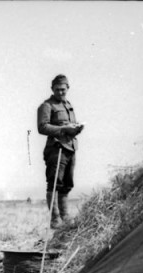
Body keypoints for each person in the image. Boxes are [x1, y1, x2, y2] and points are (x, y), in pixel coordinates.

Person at [37, 74, 84, 228]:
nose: (61, 92)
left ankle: (65, 216)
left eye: (63, 89)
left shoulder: (68, 105)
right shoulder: (47, 106)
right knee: (54, 184)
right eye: (57, 90)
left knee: (67, 184)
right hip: (56, 149)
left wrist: (76, 129)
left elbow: (69, 126)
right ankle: (55, 219)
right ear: (52, 89)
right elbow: (42, 127)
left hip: (70, 147)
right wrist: (64, 128)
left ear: (68, 88)